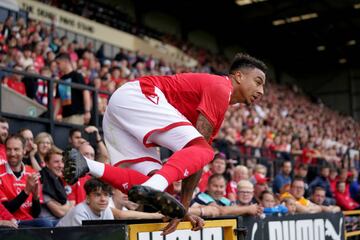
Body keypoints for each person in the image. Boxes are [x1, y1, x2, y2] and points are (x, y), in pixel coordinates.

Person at [63, 53, 267, 234]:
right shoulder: (221, 87)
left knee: (146, 181)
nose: (262, 90)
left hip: (118, 109)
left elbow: (194, 160)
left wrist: (182, 210)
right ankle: (154, 187)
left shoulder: (218, 95)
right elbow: (199, 151)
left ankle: (86, 164)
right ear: (238, 76)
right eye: (258, 82)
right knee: (203, 152)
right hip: (140, 95)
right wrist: (184, 207)